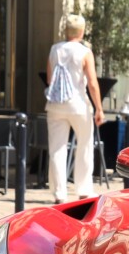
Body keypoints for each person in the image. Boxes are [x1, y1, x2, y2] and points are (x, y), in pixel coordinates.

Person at [45, 14, 104, 202]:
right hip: (78, 104)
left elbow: (49, 79)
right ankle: (84, 189)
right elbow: (92, 83)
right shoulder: (84, 52)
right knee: (85, 146)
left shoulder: (54, 50)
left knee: (57, 149)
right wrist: (99, 108)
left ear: (66, 30)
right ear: (82, 31)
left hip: (55, 105)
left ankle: (59, 194)